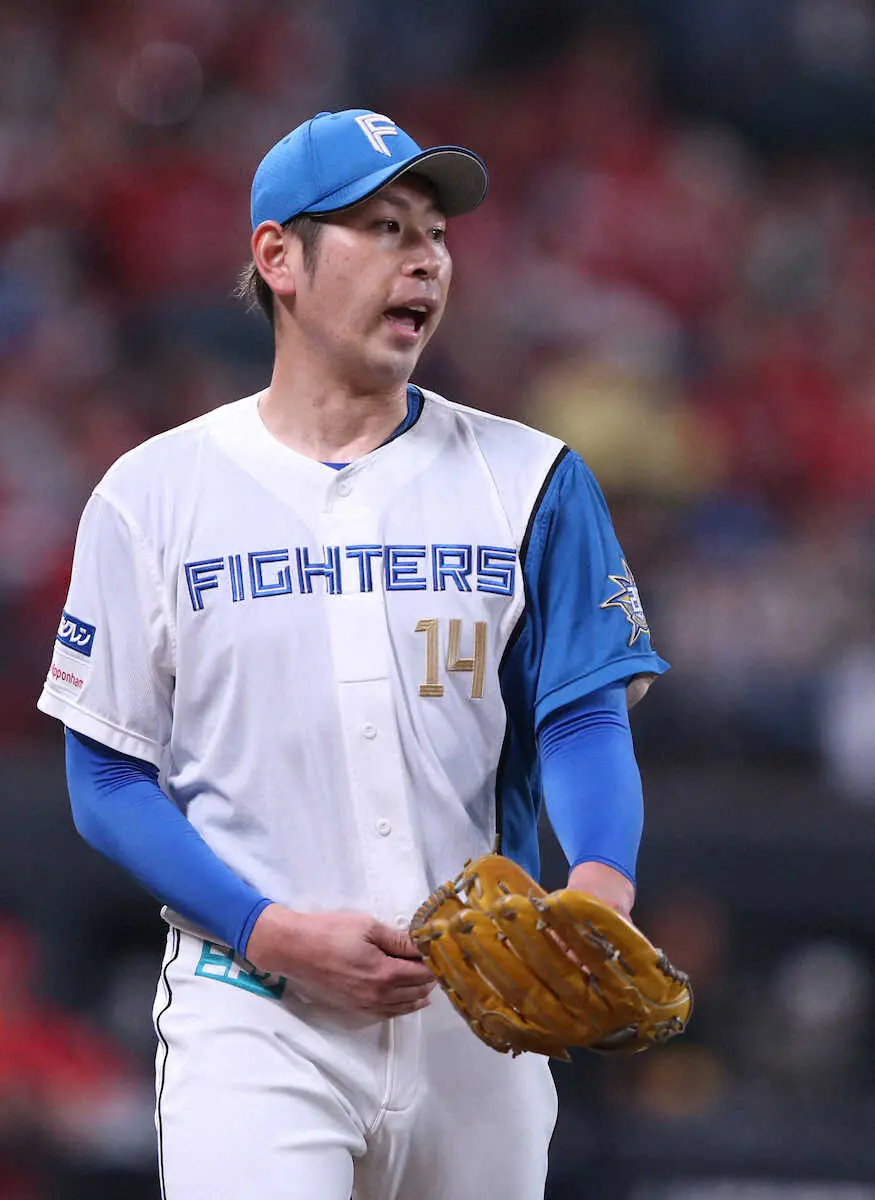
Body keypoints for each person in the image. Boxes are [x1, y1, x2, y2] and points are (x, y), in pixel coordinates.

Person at [37, 108, 669, 1200]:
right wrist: (267, 931)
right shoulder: (152, 496)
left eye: (436, 233)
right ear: (278, 257)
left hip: (477, 1016)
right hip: (254, 1011)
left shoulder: (529, 480)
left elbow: (579, 714)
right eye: (383, 228)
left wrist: (601, 882)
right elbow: (104, 779)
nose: (425, 258)